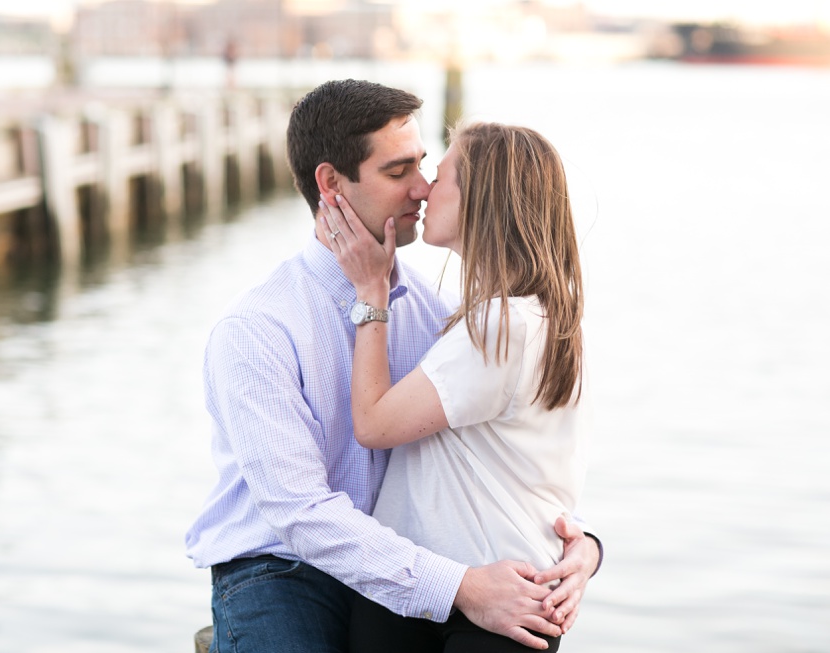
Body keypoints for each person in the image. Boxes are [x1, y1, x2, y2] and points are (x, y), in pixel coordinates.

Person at [184, 80, 602, 653]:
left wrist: (584, 546)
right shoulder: (258, 330)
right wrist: (461, 587)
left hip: (404, 573)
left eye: (424, 166)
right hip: (283, 568)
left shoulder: (445, 322)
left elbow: (510, 457)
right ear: (331, 184)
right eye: (398, 171)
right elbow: (298, 513)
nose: (423, 187)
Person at [319, 121, 588, 652]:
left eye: (438, 177)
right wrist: (591, 547)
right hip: (467, 593)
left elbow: (373, 425)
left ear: (479, 202)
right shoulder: (540, 319)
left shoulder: (500, 326)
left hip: (485, 604)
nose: (421, 189)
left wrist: (370, 291)